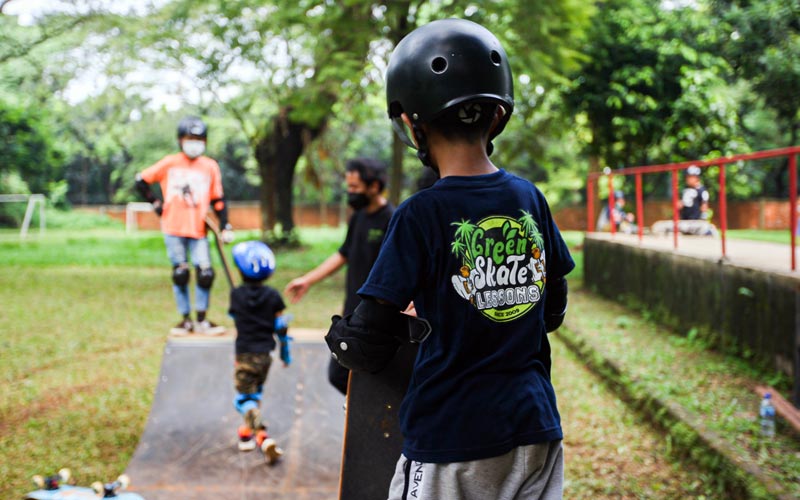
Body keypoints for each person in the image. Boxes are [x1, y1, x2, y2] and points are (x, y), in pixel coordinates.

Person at [325, 19, 574, 500]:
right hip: (536, 429)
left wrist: (350, 337)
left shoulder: (421, 213)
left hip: (450, 439)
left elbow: (368, 340)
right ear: (498, 115)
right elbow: (552, 310)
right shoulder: (530, 198)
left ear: (412, 122)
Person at [284, 158, 394, 395]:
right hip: (352, 311)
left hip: (375, 316)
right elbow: (343, 254)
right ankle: (360, 412)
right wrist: (308, 280)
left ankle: (369, 415)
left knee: (355, 374)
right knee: (339, 374)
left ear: (374, 186)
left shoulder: (391, 219)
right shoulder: (359, 217)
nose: (350, 193)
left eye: (355, 187)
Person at [135, 116, 234, 336]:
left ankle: (202, 319)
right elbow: (140, 180)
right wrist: (155, 203)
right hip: (173, 227)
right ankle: (185, 320)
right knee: (181, 273)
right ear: (181, 140)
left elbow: (218, 199)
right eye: (190, 138)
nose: (195, 142)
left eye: (199, 139)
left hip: (198, 229)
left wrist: (225, 224)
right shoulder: (170, 163)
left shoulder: (210, 166)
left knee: (205, 273)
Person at [229, 240, 289, 463]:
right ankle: (246, 436)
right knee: (255, 395)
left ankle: (262, 435)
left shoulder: (236, 295)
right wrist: (286, 353)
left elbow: (235, 317)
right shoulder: (274, 296)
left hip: (244, 354)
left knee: (243, 399)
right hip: (265, 356)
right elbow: (281, 327)